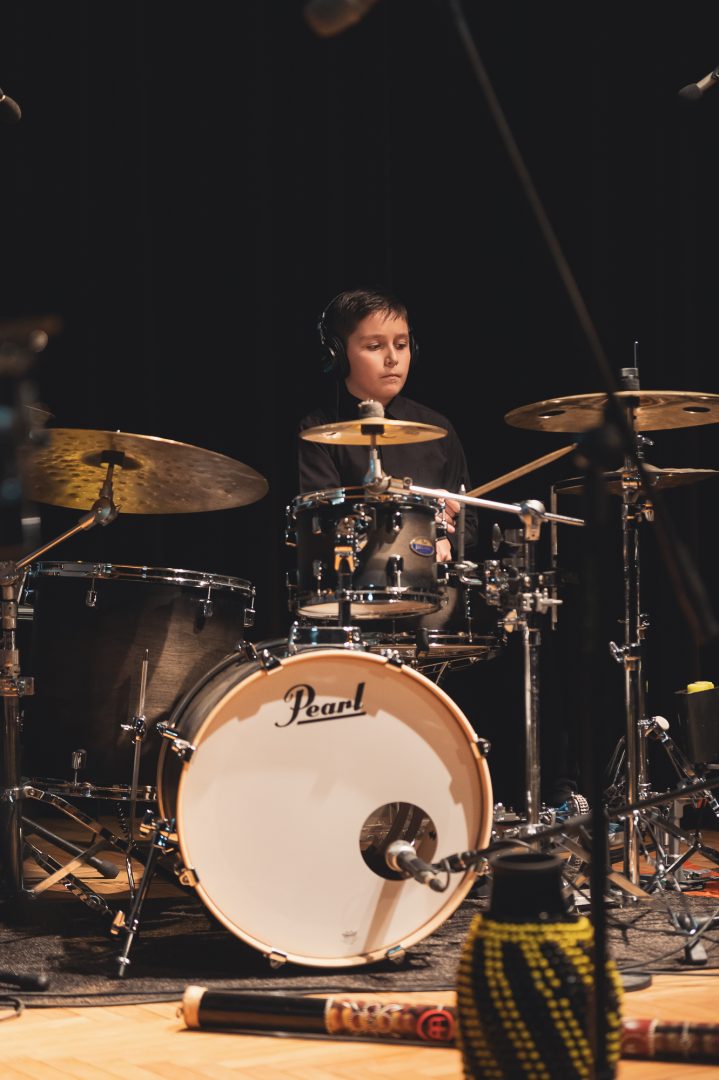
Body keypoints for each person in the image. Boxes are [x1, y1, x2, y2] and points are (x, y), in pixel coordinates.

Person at [297, 287, 477, 560]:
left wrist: (444, 534)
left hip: (431, 582)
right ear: (338, 355)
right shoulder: (318, 431)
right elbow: (320, 525)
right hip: (353, 580)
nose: (393, 358)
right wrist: (420, 518)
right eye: (374, 346)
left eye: (401, 345)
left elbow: (469, 526)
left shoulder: (437, 429)